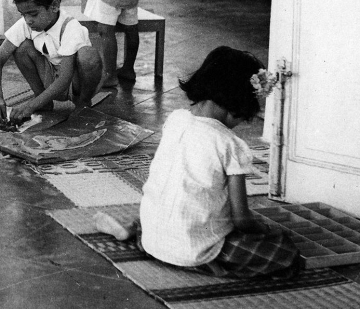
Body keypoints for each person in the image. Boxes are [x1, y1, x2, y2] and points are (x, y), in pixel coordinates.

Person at [95, 47, 301, 279]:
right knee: (286, 251)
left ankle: (134, 229)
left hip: (153, 238)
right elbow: (242, 220)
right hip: (195, 248)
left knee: (169, 205)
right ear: (238, 104)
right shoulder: (229, 144)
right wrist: (263, 229)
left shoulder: (175, 119)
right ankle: (205, 263)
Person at [0, 0, 99, 122]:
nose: (28, 20)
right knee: (22, 48)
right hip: (51, 78)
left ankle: (83, 102)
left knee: (89, 56)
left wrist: (30, 106)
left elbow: (64, 79)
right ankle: (44, 101)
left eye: (33, 14)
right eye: (23, 15)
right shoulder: (27, 23)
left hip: (74, 83)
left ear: (54, 6)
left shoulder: (71, 28)